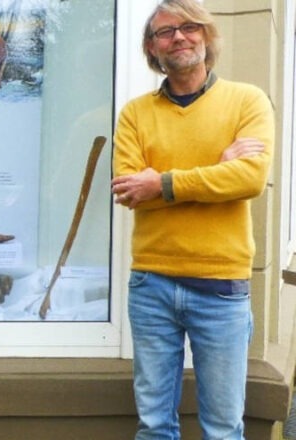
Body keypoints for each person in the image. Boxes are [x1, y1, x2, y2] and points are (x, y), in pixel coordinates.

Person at [111, 0, 273, 438]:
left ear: (206, 36)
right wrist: (217, 167)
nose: (178, 37)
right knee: (154, 425)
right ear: (151, 47)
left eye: (188, 27)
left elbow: (250, 178)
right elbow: (129, 191)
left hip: (220, 287)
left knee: (222, 428)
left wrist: (161, 184)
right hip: (152, 284)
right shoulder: (135, 114)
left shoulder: (247, 101)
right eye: (165, 31)